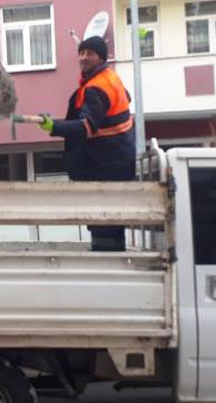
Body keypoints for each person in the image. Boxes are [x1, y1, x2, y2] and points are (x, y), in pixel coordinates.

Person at [38, 36, 136, 251]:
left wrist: (53, 127)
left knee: (104, 227)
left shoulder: (97, 88)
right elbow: (123, 101)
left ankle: (108, 265)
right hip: (115, 165)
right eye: (81, 53)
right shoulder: (110, 78)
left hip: (104, 167)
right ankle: (110, 260)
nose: (83, 58)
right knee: (109, 224)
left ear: (100, 57)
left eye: (89, 54)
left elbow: (85, 128)